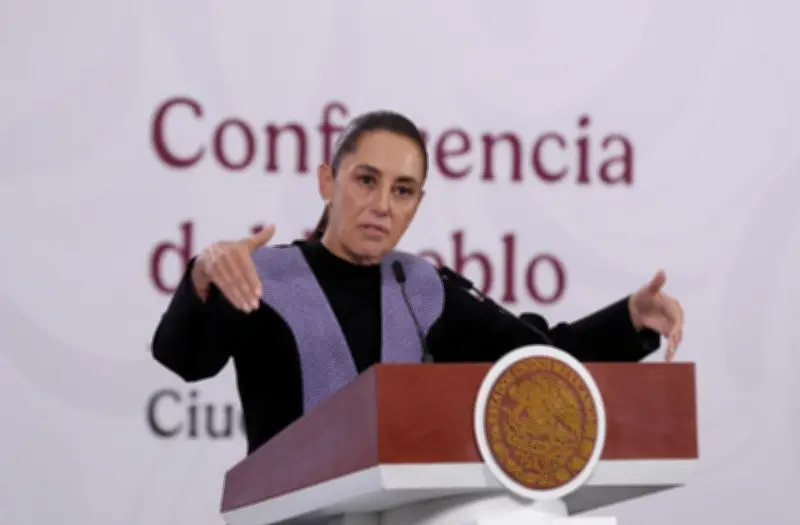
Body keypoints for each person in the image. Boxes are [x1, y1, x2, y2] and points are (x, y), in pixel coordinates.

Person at [150, 110, 684, 459]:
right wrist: (202, 275)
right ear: (326, 182)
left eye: (403, 190)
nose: (382, 205)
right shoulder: (265, 276)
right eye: (366, 180)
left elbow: (540, 361)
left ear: (417, 205)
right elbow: (184, 360)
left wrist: (629, 319)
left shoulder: (422, 290)